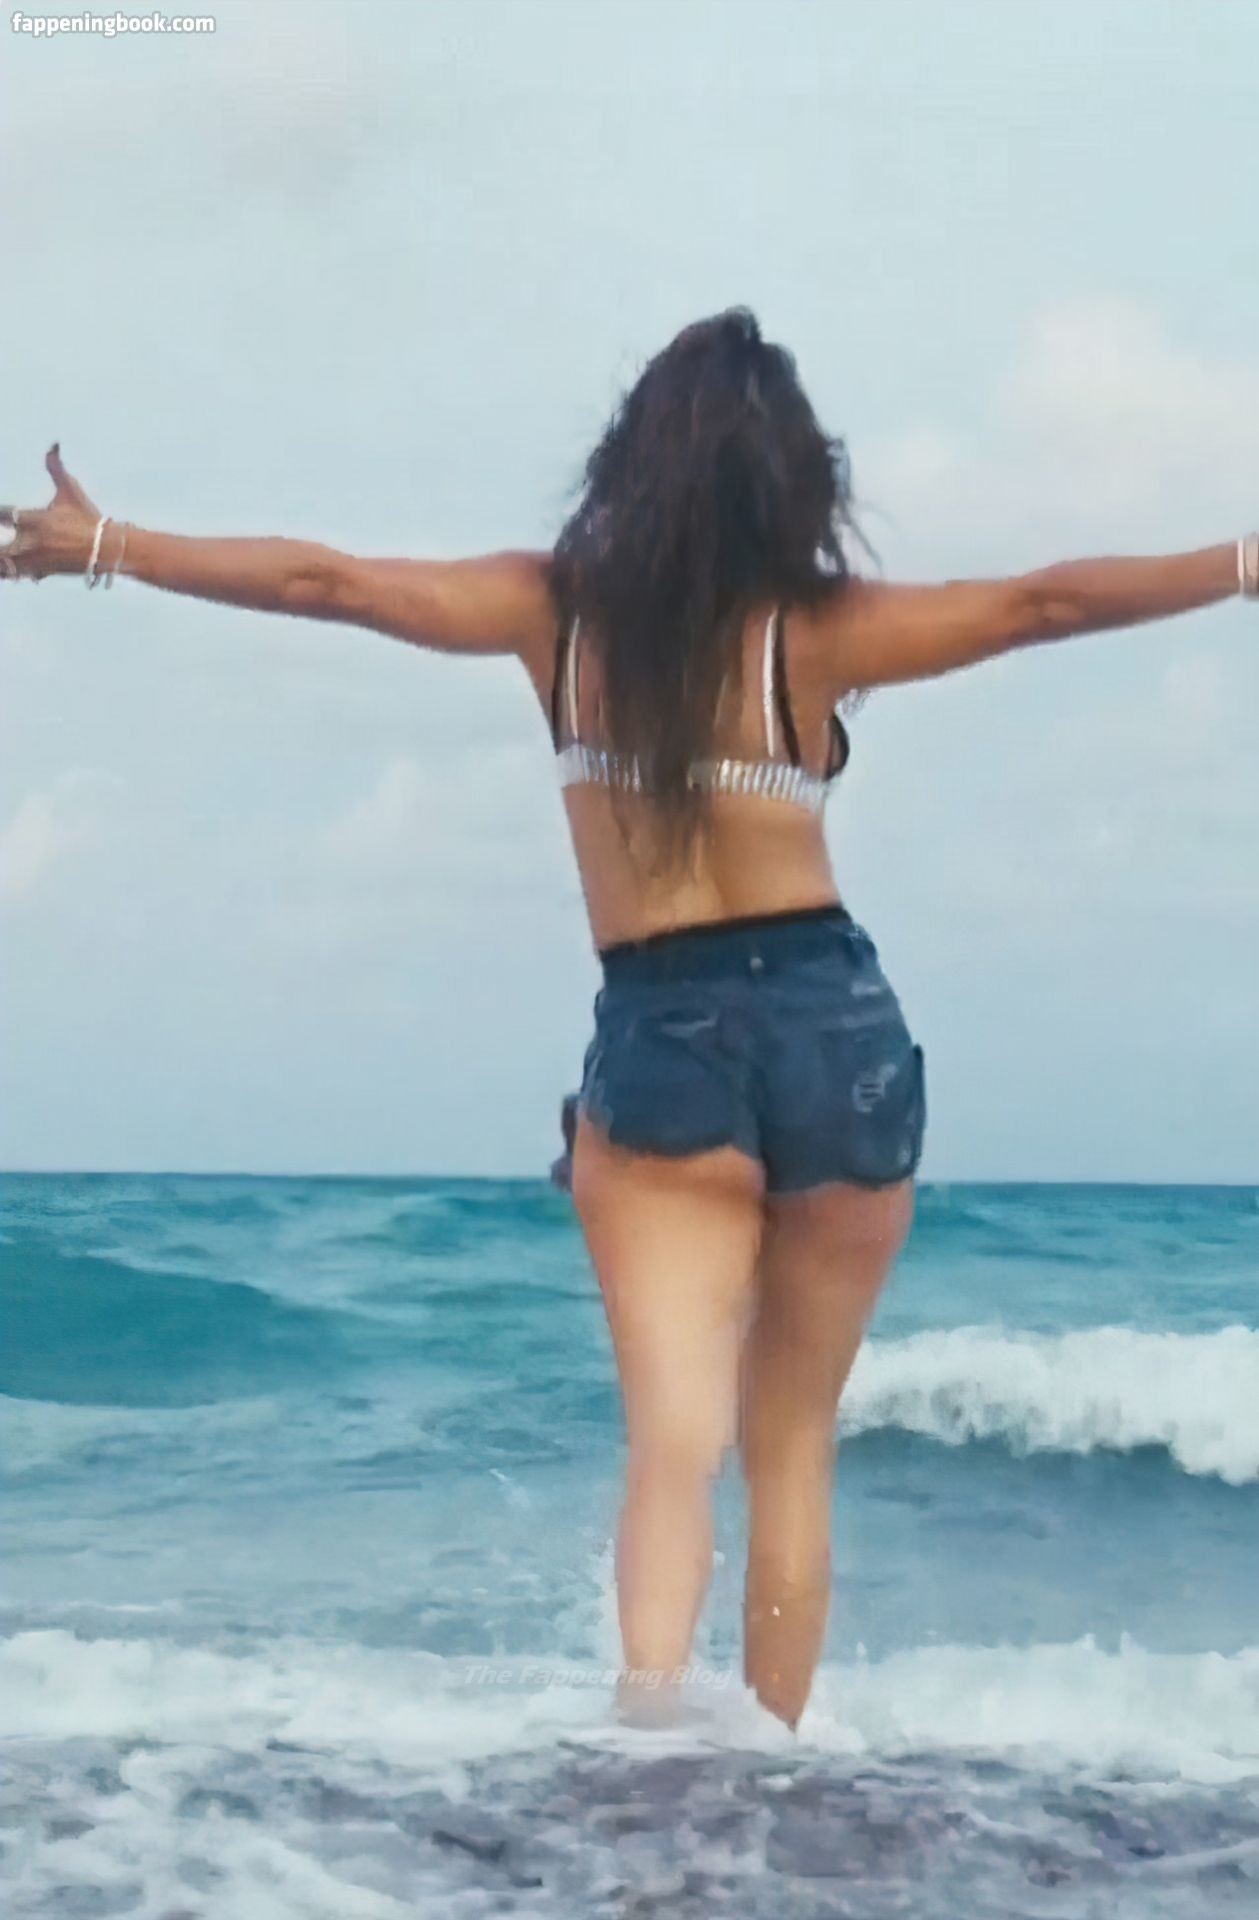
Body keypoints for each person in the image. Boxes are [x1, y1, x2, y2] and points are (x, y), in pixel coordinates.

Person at [4, 309, 1255, 1731]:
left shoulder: (557, 615)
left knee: (675, 1447)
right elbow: (1043, 605)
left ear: (631, 459)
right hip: (837, 1028)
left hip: (663, 1025)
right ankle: (769, 1779)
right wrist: (1240, 563)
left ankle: (652, 1770)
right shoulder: (814, 631)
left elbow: (327, 582)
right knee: (792, 1453)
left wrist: (112, 544)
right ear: (795, 479)